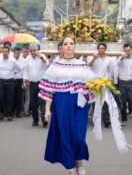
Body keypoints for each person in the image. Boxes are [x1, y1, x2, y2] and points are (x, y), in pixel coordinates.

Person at [39, 37, 95, 175]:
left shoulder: (82, 65)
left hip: (79, 104)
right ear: (61, 48)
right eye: (66, 44)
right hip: (62, 103)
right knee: (65, 134)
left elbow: (92, 84)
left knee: (79, 137)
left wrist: (100, 86)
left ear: (75, 47)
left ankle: (78, 160)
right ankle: (71, 167)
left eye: (71, 44)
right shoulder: (55, 66)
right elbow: (49, 89)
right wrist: (47, 110)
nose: (69, 46)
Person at [88, 43, 114, 127]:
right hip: (95, 83)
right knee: (95, 102)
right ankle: (95, 119)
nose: (101, 50)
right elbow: (89, 66)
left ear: (105, 49)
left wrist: (109, 80)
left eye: (103, 48)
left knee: (105, 102)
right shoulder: (93, 57)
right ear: (98, 49)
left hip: (104, 83)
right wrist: (94, 59)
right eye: (100, 48)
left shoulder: (109, 59)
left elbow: (110, 70)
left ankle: (106, 119)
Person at [117, 43, 132, 127]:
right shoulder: (120, 59)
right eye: (125, 51)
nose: (127, 52)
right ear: (123, 51)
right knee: (123, 103)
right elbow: (118, 64)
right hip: (122, 83)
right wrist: (122, 57)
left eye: (129, 50)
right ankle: (124, 119)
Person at [24, 45, 49, 126]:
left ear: (38, 50)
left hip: (41, 83)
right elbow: (26, 70)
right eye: (31, 51)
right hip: (32, 83)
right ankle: (35, 120)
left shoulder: (41, 56)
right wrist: (25, 80)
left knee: (42, 102)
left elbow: (46, 64)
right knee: (33, 103)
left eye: (34, 50)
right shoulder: (28, 58)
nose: (32, 52)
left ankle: (44, 119)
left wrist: (40, 56)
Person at [0, 46, 20, 121]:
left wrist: (13, 74)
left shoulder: (12, 60)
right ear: (2, 52)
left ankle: (9, 114)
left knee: (10, 98)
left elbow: (18, 69)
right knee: (0, 97)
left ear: (9, 52)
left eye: (6, 51)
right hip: (1, 81)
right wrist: (0, 76)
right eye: (3, 51)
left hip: (10, 81)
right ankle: (2, 112)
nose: (5, 53)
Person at [13, 47, 26, 118]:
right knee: (12, 96)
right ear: (14, 52)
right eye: (17, 53)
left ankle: (18, 112)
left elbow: (24, 71)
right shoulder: (11, 60)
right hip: (12, 80)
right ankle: (12, 111)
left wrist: (24, 82)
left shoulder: (23, 60)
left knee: (19, 96)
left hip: (20, 80)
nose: (18, 54)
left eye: (19, 53)